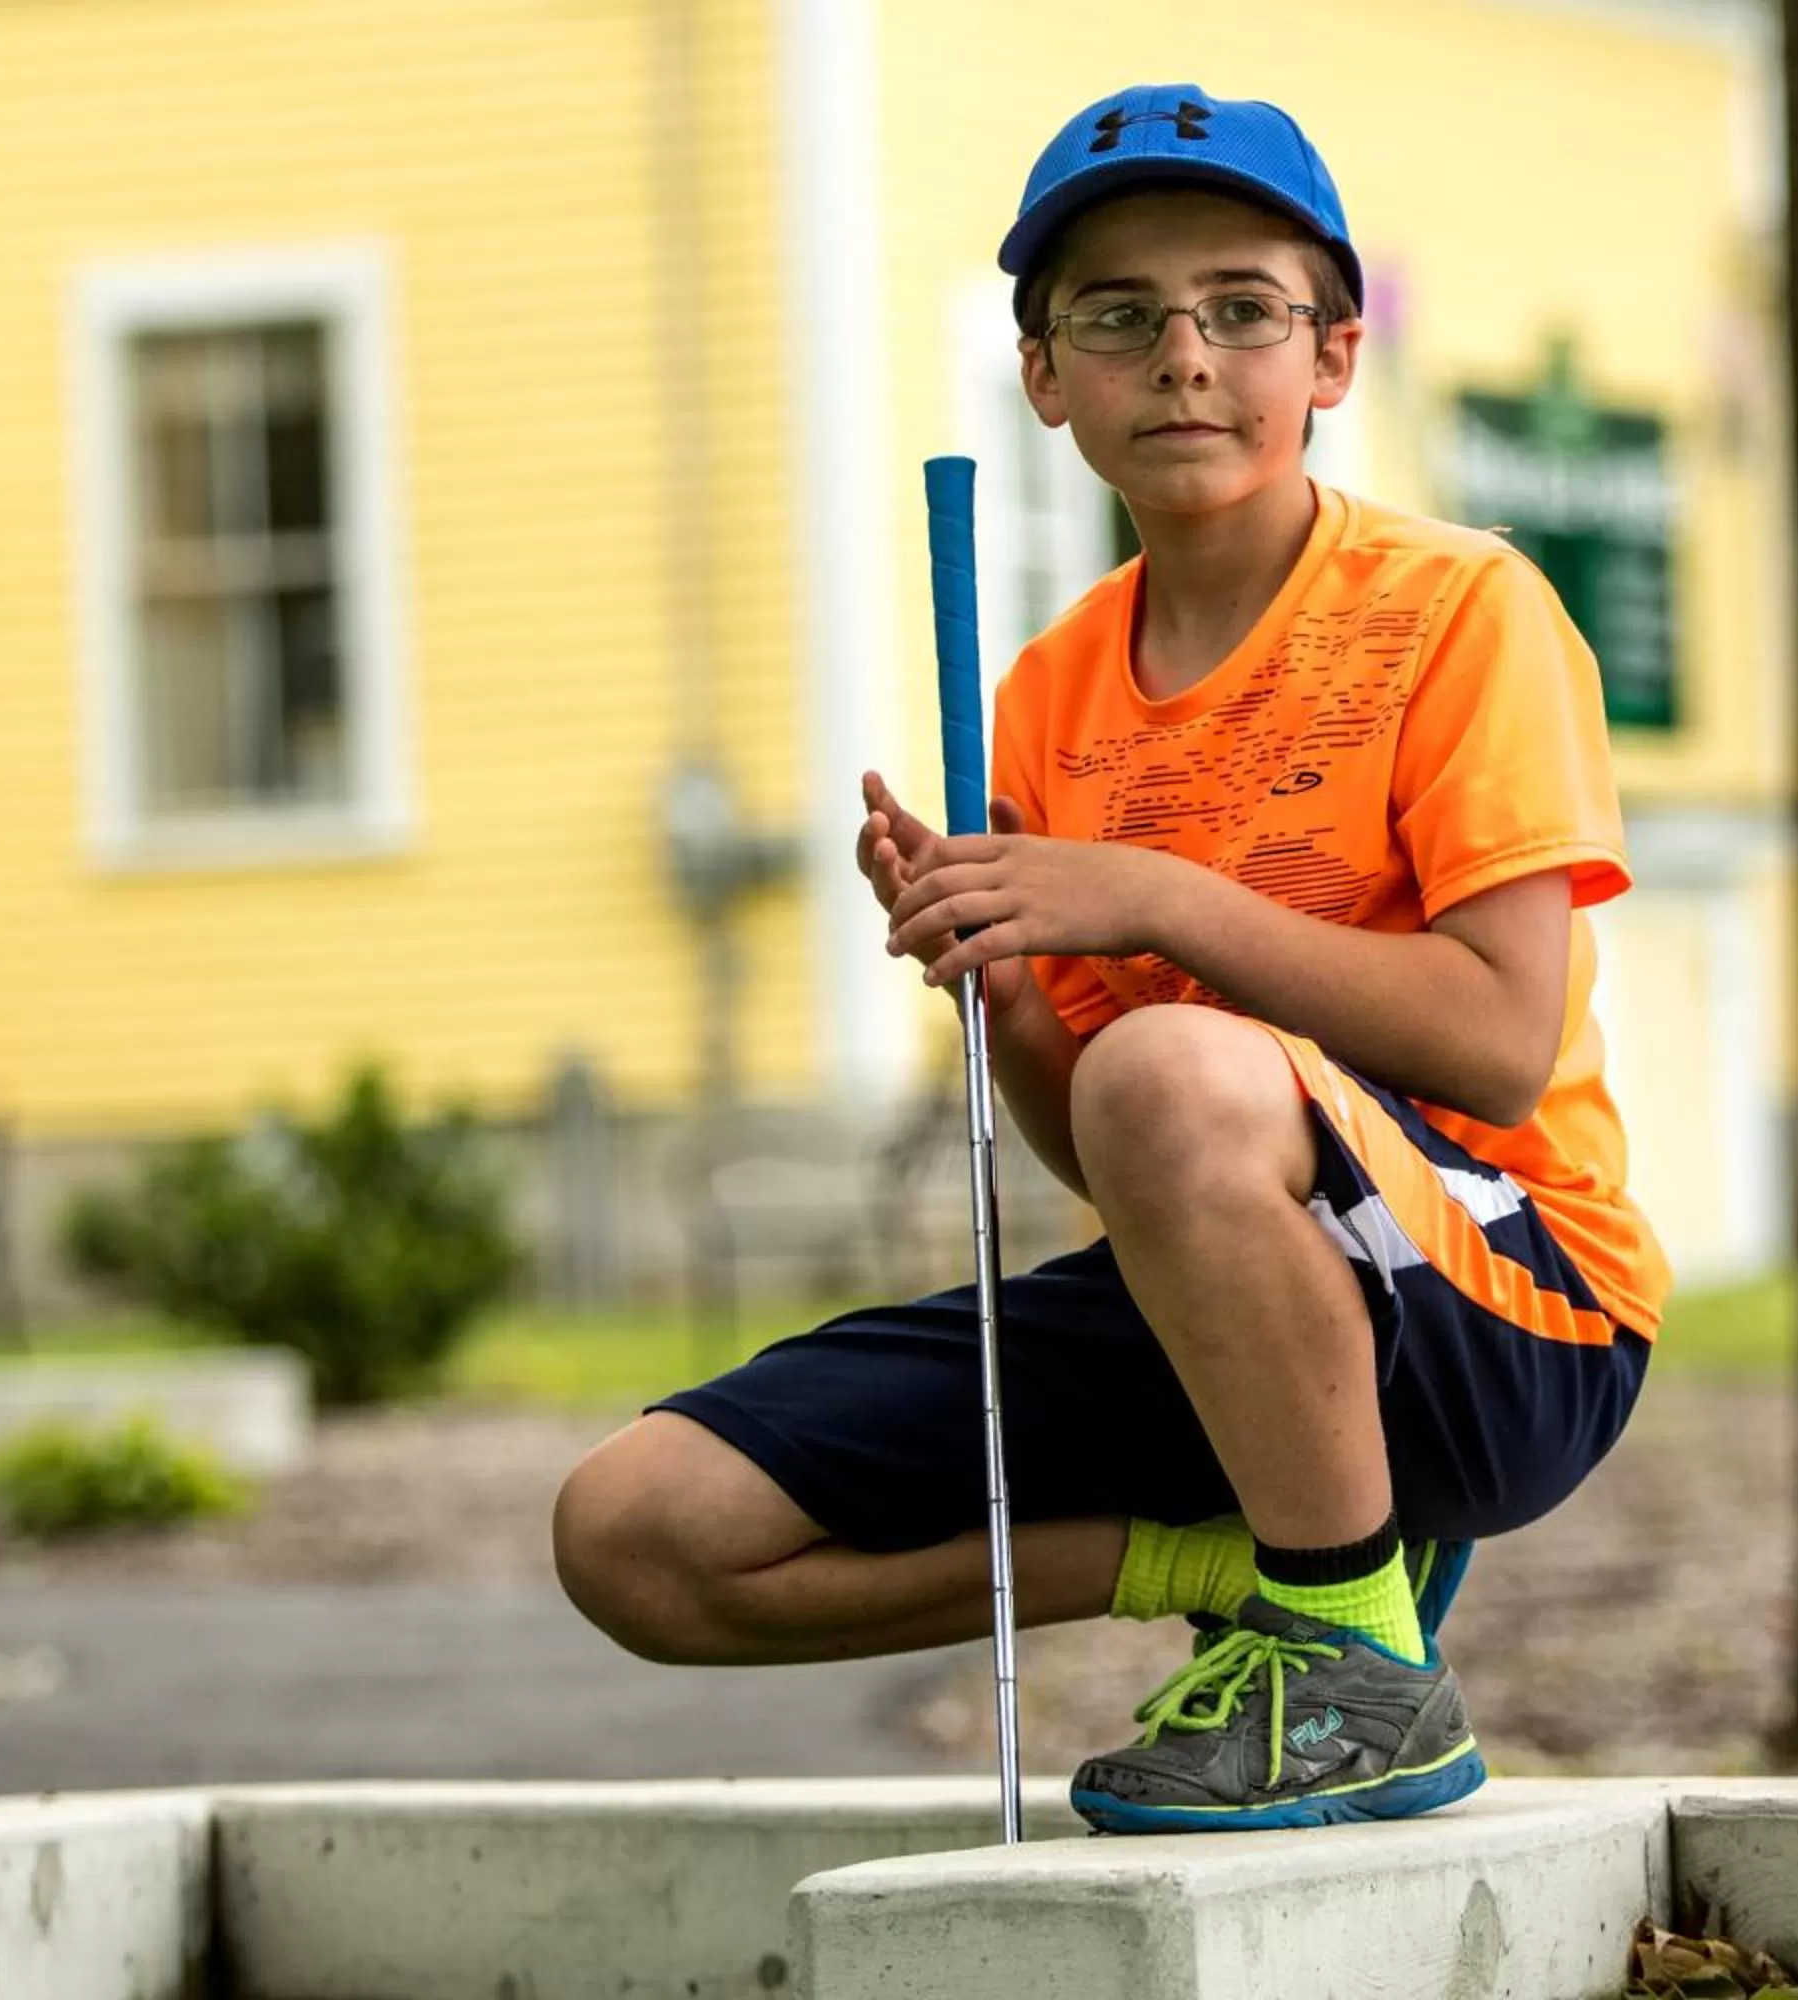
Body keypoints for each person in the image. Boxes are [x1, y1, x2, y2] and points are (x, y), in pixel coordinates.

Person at [548, 83, 1669, 1832]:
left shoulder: (1462, 608)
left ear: (1337, 357)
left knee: (1172, 1059)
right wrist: (996, 985)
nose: (1185, 357)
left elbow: (1506, 1041)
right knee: (641, 1533)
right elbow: (1116, 1155)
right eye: (1120, 316)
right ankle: (1258, 1570)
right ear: (1043, 376)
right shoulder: (1050, 696)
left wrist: (1147, 899)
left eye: (1241, 308)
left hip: (1512, 1311)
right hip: (1225, 1309)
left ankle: (1363, 1670)